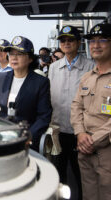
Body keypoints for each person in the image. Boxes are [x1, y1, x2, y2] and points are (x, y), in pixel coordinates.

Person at [0, 36, 52, 152]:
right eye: (11, 54)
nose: (14, 57)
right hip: (1, 135)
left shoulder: (40, 82)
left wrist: (29, 136)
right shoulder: (2, 78)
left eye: (19, 54)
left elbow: (44, 117)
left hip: (25, 138)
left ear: (30, 59)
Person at [48, 25, 95, 200]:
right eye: (63, 40)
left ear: (79, 42)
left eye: (70, 40)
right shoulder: (54, 68)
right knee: (59, 174)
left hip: (81, 132)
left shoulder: (91, 67)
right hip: (58, 131)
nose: (66, 43)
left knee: (81, 176)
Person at [71, 23, 111, 200]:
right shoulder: (87, 77)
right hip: (84, 148)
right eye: (92, 41)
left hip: (107, 151)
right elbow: (76, 106)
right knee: (88, 195)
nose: (96, 45)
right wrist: (80, 133)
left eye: (102, 40)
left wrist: (92, 140)